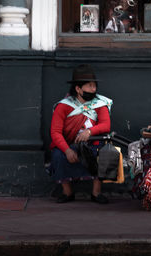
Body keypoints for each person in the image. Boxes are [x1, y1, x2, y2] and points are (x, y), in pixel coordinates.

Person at [49, 64, 113, 204]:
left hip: (91, 143)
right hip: (69, 144)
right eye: (89, 86)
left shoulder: (99, 104)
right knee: (58, 155)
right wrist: (67, 150)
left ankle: (96, 193)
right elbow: (55, 132)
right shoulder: (63, 106)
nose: (93, 89)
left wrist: (90, 131)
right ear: (78, 89)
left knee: (102, 153)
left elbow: (106, 125)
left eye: (94, 85)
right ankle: (68, 192)